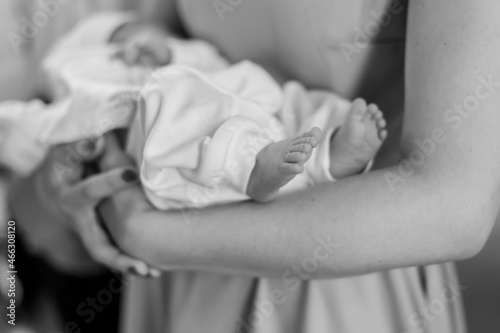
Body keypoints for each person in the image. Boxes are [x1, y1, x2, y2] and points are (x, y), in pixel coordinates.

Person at [14, 0, 500, 332]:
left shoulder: (150, 235)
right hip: (178, 250)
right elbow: (151, 38)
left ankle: (312, 157)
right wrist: (78, 170)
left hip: (340, 281)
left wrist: (150, 236)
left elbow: (453, 207)